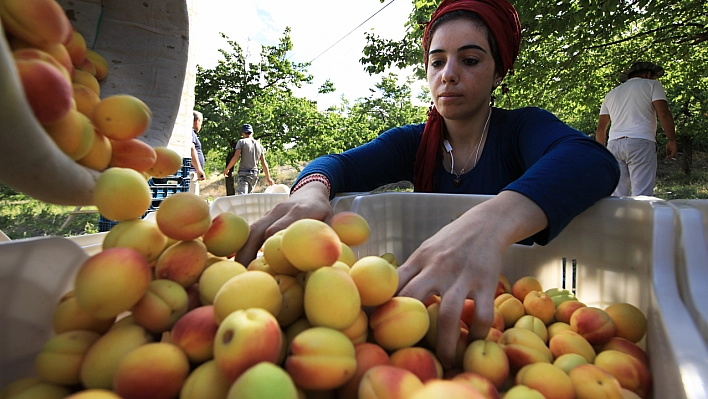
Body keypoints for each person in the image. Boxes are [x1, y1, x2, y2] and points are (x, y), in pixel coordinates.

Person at [236, 0, 619, 369]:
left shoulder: (519, 130)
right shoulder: (416, 142)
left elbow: (591, 159)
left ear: (499, 73)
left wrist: (490, 223)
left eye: (469, 60)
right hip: (425, 307)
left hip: (509, 301)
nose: (448, 74)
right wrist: (313, 190)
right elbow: (336, 164)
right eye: (437, 62)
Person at [595, 61, 677, 197]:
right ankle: (640, 219)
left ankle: (619, 218)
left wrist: (601, 152)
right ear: (648, 74)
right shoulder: (652, 85)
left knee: (617, 196)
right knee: (642, 197)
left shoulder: (612, 94)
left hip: (614, 145)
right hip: (641, 142)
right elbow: (663, 113)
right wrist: (672, 139)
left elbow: (601, 128)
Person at [223, 124, 274, 194]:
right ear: (252, 133)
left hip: (244, 173)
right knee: (249, 197)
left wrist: (227, 169)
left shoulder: (242, 142)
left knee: (242, 197)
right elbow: (263, 162)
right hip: (254, 174)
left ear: (243, 133)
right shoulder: (259, 145)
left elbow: (236, 157)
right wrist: (268, 178)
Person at [189, 110, 206, 196]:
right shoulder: (190, 132)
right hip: (191, 173)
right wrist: (199, 169)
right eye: (201, 122)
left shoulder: (192, 134)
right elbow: (191, 148)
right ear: (197, 121)